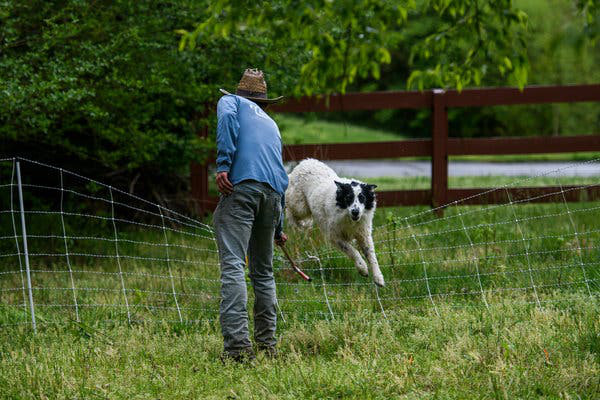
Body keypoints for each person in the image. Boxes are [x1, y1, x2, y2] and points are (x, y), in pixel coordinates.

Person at [212, 68, 288, 362]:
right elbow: (280, 175)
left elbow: (227, 120)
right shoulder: (271, 124)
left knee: (233, 266)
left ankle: (237, 350)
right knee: (263, 272)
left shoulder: (231, 103)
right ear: (265, 103)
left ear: (238, 92)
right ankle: (268, 346)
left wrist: (223, 164)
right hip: (271, 197)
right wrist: (277, 226)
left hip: (242, 189)